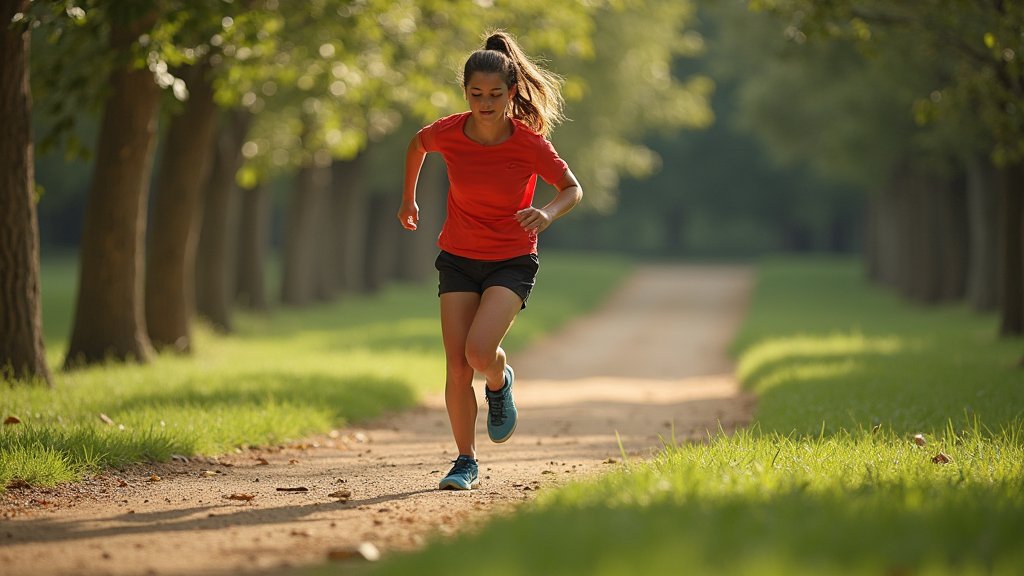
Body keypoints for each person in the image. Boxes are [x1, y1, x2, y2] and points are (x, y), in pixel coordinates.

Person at [397, 31, 583, 490]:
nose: (485, 103)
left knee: (479, 353)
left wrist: (546, 212)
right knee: (458, 367)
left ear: (512, 93)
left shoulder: (528, 143)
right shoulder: (449, 132)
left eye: (496, 94)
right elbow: (417, 145)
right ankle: (465, 460)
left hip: (511, 259)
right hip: (458, 257)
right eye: (476, 94)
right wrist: (408, 200)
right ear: (466, 93)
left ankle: (499, 382)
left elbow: (572, 189)